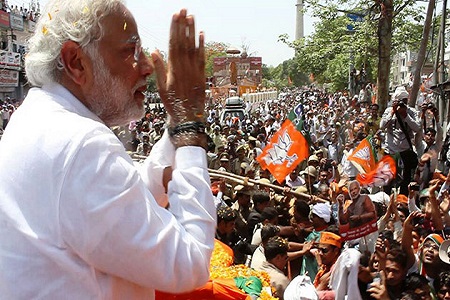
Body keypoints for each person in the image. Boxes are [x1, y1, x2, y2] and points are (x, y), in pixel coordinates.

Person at [0, 1, 216, 299]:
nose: (147, 67)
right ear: (76, 62)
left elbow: (112, 204)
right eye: (130, 52)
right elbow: (190, 262)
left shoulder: (35, 116)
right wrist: (191, 123)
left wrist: (177, 120)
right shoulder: (80, 144)